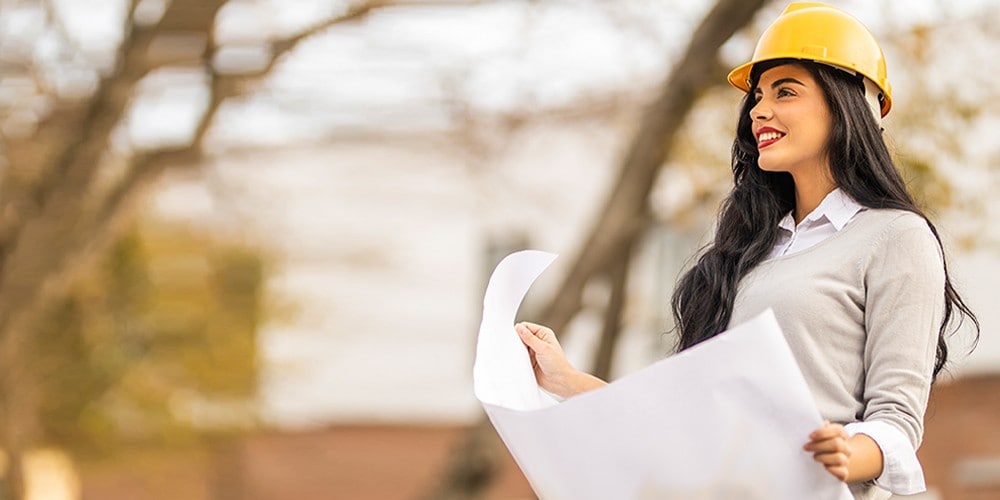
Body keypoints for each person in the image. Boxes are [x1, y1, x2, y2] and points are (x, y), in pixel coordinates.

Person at [513, 3, 979, 499]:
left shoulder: (896, 237)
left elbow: (897, 419)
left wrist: (849, 449)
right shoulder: (748, 251)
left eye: (786, 91)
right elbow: (687, 421)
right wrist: (564, 379)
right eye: (757, 96)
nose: (759, 110)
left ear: (847, 106)